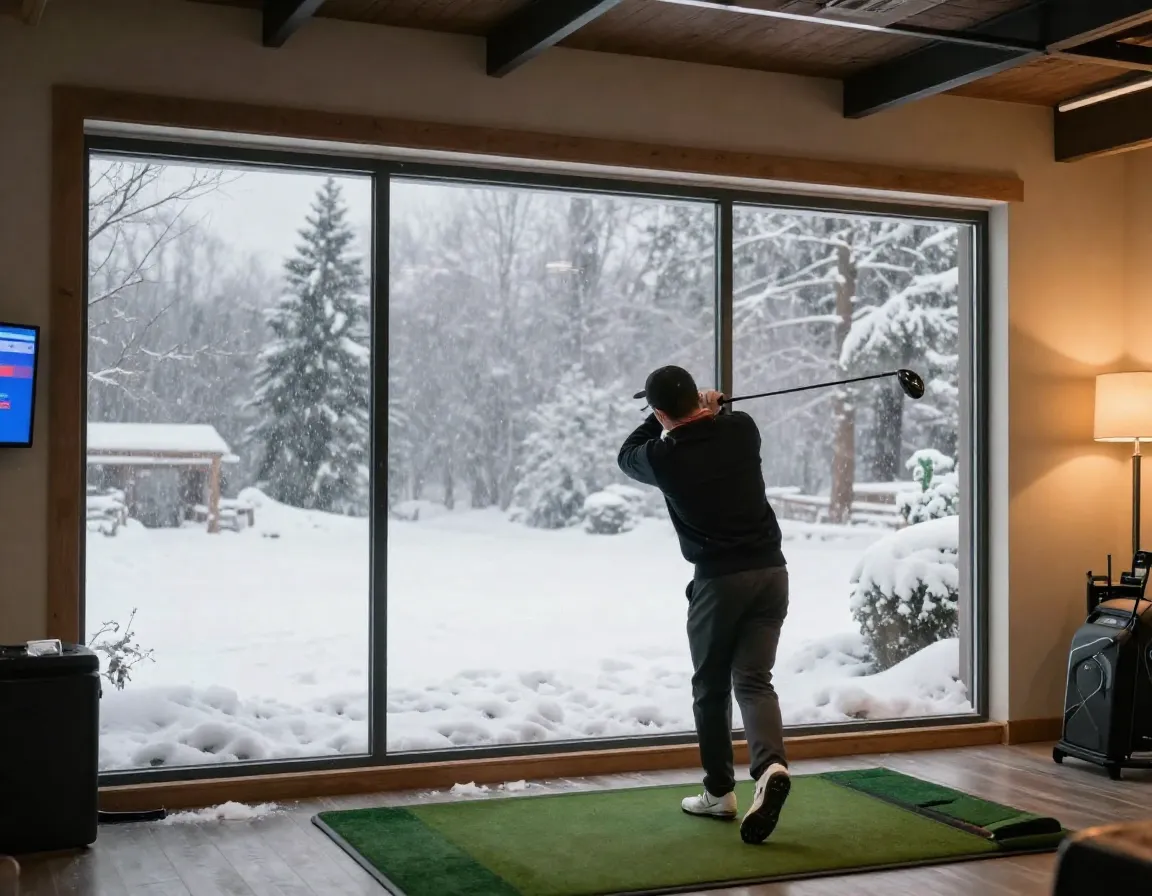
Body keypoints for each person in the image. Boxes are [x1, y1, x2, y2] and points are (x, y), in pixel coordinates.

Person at [618, 364, 790, 845]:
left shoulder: (662, 458)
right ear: (698, 398)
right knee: (754, 680)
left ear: (659, 414)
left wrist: (663, 419)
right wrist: (712, 409)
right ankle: (771, 766)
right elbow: (717, 427)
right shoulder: (742, 430)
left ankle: (719, 792)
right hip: (772, 574)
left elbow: (626, 453)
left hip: (719, 583)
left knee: (711, 688)